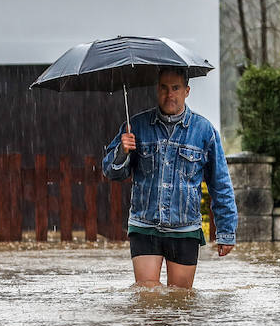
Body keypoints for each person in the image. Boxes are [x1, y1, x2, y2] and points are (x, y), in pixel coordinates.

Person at [101, 67, 237, 289]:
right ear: (157, 89)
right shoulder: (136, 126)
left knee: (181, 301)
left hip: (184, 229)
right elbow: (111, 172)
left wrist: (226, 232)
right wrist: (122, 152)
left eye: (175, 88)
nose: (169, 94)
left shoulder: (204, 131)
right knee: (146, 299)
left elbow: (220, 184)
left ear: (187, 91)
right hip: (144, 226)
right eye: (164, 88)